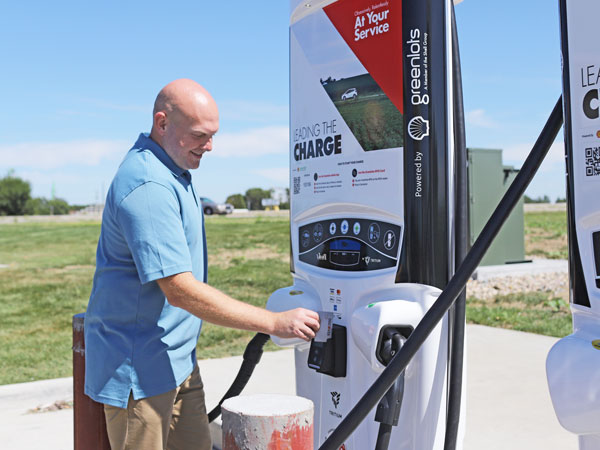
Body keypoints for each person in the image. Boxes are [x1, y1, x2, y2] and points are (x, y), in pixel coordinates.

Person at [84, 78, 320, 450]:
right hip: (139, 371)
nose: (209, 146)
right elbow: (180, 290)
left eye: (213, 135)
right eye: (198, 135)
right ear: (162, 123)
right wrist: (274, 322)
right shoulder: (149, 185)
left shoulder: (173, 171)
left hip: (177, 364)